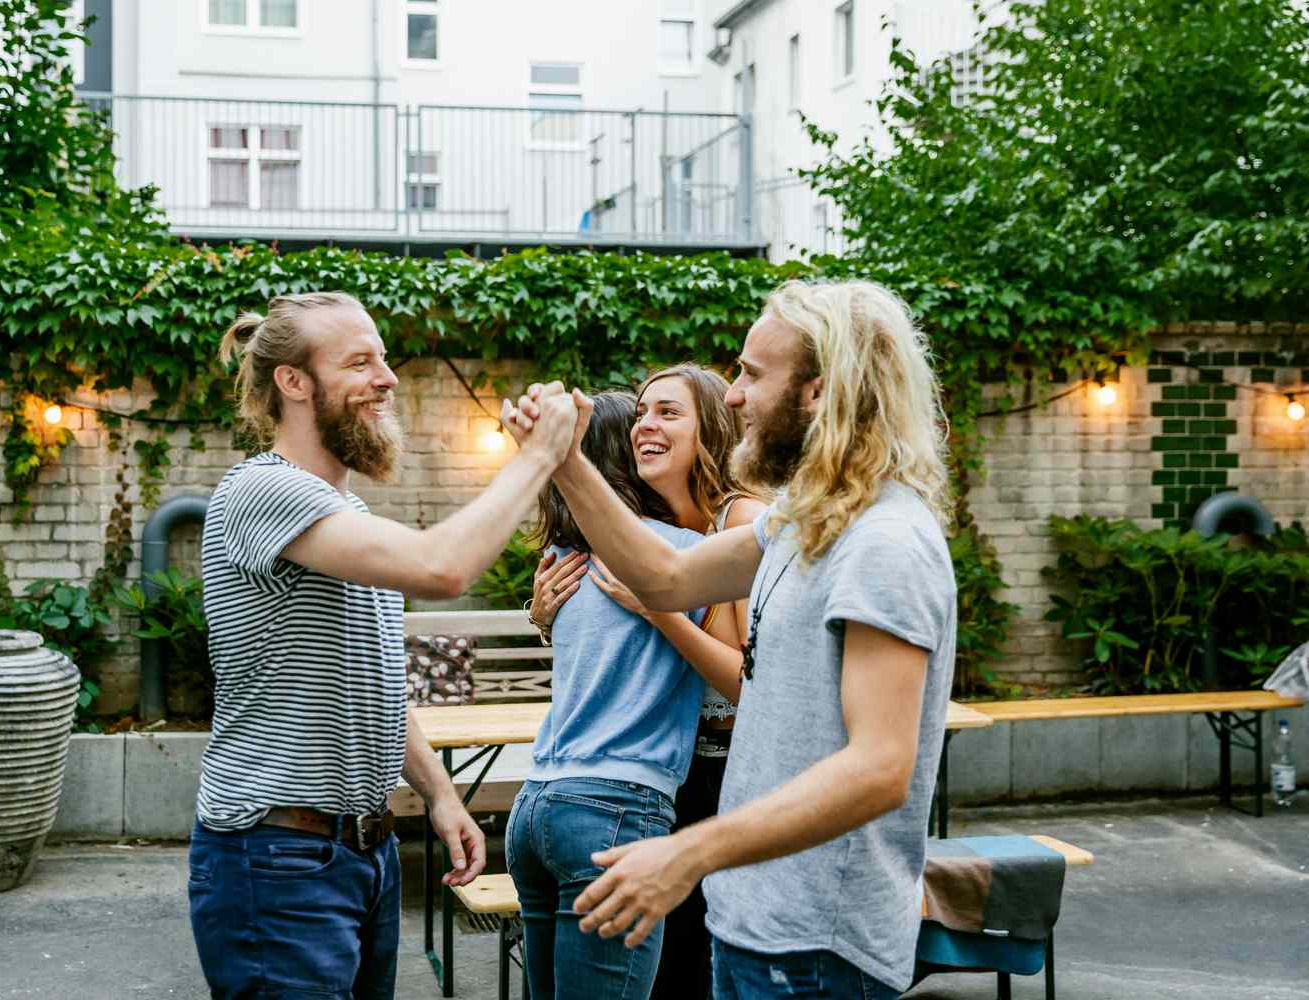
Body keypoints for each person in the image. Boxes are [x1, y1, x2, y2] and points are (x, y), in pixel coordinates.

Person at [503, 280, 957, 1000]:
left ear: (817, 391)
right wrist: (565, 459)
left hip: (815, 944)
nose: (735, 396)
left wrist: (687, 850)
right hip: (754, 919)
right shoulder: (803, 523)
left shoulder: (885, 541)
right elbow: (663, 575)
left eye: (750, 374)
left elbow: (880, 766)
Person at [189, 291, 577, 1000]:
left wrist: (439, 794)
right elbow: (442, 568)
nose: (388, 378)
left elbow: (370, 686)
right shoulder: (263, 492)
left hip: (361, 855)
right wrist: (543, 455)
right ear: (294, 382)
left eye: (385, 358)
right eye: (361, 362)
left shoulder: (347, 513)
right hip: (277, 862)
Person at [528, 364, 766, 1000]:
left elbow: (752, 685)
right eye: (640, 413)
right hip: (669, 777)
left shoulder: (743, 521)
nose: (645, 426)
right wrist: (549, 620)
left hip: (735, 779)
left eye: (668, 413)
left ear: (710, 430)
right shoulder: (663, 535)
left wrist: (659, 610)